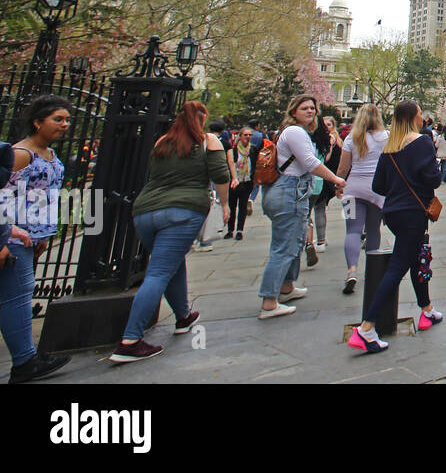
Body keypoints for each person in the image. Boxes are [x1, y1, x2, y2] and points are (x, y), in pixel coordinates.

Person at [110, 101, 230, 363]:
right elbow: (221, 175)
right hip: (183, 211)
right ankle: (130, 340)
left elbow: (150, 174)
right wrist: (225, 205)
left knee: (171, 263)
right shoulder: (208, 140)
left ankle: (183, 315)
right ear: (201, 119)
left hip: (145, 211)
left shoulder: (162, 141)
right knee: (160, 271)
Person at [348, 100, 443, 353]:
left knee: (417, 259)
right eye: (421, 114)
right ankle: (366, 328)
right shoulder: (422, 142)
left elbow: (379, 185)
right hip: (414, 212)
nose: (423, 118)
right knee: (398, 266)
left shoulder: (390, 147)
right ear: (414, 117)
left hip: (393, 213)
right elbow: (434, 178)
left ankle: (427, 309)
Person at [1, 96, 72, 383]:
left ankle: (27, 355)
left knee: (18, 295)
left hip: (33, 237)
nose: (64, 124)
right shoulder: (20, 154)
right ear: (37, 121)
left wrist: (45, 235)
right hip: (14, 235)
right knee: (16, 297)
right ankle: (24, 362)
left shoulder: (49, 153)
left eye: (67, 119)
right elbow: (3, 198)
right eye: (58, 119)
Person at [257, 95, 345, 319]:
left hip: (293, 190)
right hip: (289, 190)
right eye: (304, 108)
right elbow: (310, 162)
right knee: (284, 246)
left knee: (295, 240)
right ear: (293, 111)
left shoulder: (295, 132)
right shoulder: (295, 132)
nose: (310, 112)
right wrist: (336, 179)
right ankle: (269, 301)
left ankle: (286, 287)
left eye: (312, 108)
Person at [339, 103, 388, 295]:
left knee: (352, 231)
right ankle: (373, 271)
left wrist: (339, 184)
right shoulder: (385, 137)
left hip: (352, 189)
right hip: (376, 191)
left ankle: (352, 270)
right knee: (374, 230)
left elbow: (343, 168)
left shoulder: (352, 138)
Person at [309, 115, 343, 252]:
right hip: (327, 178)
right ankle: (319, 239)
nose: (326, 127)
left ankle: (319, 241)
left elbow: (325, 157)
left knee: (316, 209)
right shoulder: (337, 139)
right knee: (319, 208)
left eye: (329, 124)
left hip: (322, 177)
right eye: (325, 124)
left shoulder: (329, 138)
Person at [226, 127, 257, 239]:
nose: (248, 137)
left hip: (247, 180)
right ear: (240, 136)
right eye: (245, 135)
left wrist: (255, 180)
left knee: (243, 206)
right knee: (232, 205)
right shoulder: (234, 149)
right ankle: (230, 230)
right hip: (235, 181)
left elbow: (255, 164)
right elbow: (230, 164)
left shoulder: (253, 149)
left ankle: (239, 230)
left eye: (250, 135)